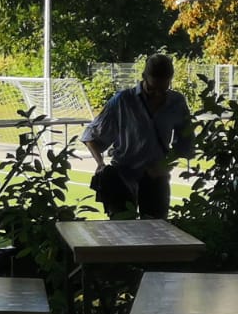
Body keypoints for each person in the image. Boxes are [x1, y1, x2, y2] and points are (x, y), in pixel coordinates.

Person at [81, 53, 194, 219]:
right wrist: (101, 165)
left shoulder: (177, 102)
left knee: (156, 232)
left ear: (170, 80)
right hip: (122, 178)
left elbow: (186, 143)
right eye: (152, 88)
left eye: (163, 89)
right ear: (143, 77)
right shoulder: (122, 101)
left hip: (156, 179)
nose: (157, 94)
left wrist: (164, 165)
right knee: (123, 232)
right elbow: (91, 136)